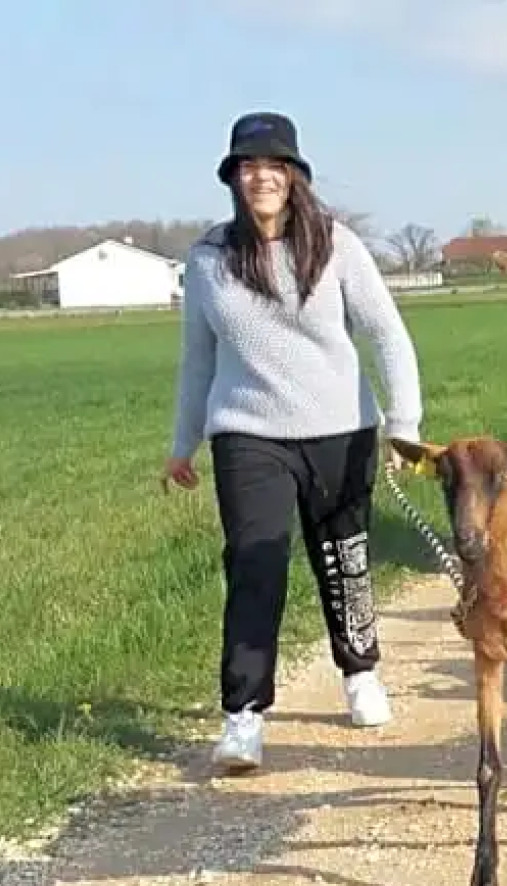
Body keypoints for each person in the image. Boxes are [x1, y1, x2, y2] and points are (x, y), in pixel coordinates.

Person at [162, 111, 425, 773]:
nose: (261, 177)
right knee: (256, 565)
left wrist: (405, 424)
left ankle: (360, 673)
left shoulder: (337, 245)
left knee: (344, 558)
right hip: (248, 434)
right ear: (233, 178)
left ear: (294, 175)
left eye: (273, 166)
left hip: (340, 429)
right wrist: (182, 442)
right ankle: (243, 716)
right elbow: (198, 358)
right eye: (248, 167)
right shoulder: (209, 259)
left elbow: (387, 334)